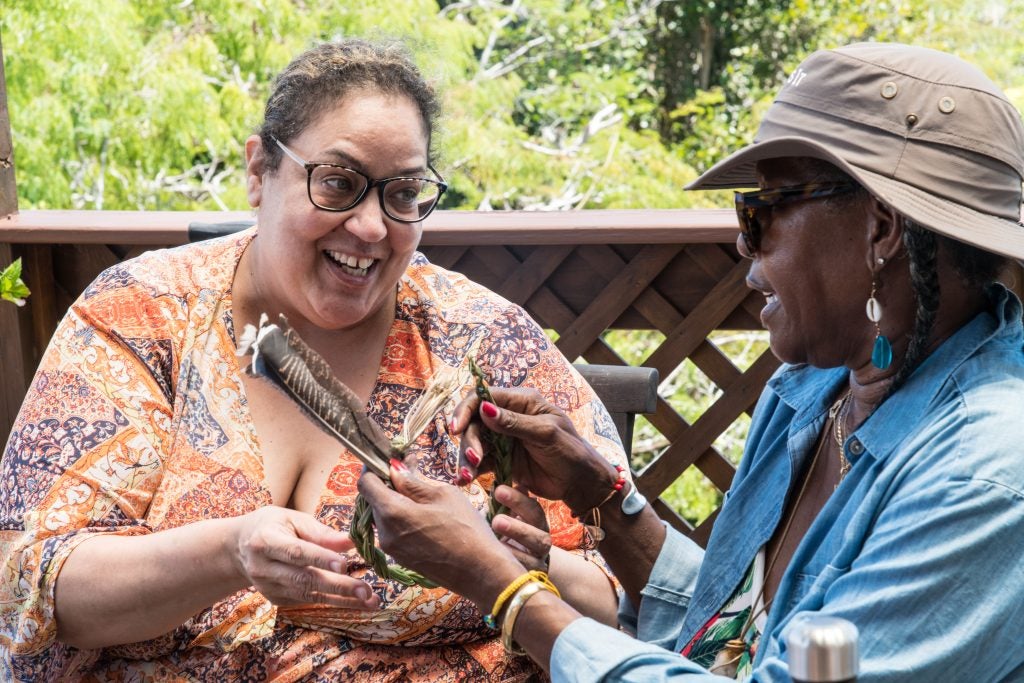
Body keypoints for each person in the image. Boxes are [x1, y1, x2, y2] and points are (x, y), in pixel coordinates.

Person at [359, 42, 1024, 681]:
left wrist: (503, 589)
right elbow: (735, 634)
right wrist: (602, 499)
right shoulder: (812, 391)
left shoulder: (985, 474)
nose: (743, 242)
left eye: (764, 207)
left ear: (880, 229)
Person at [0, 39, 623, 680]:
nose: (373, 227)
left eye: (402, 194)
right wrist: (229, 551)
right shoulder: (140, 314)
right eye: (339, 183)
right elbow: (34, 590)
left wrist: (491, 560)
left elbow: (609, 605)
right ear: (258, 170)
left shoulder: (480, 341)